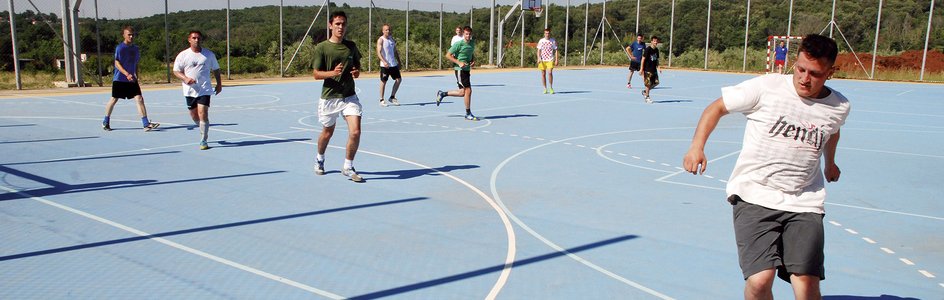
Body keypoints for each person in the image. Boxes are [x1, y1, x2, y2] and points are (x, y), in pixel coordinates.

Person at [681, 34, 850, 300]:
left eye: (814, 74)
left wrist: (830, 162)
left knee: (807, 285)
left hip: (804, 201)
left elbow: (833, 132)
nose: (804, 78)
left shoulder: (839, 106)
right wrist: (696, 147)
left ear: (830, 72)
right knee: (760, 281)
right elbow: (717, 107)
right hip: (755, 195)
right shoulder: (767, 87)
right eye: (800, 69)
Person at [312, 11, 364, 182]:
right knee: (327, 132)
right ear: (330, 25)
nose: (341, 27)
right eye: (337, 24)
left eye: (343, 24)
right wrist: (332, 73)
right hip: (329, 98)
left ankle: (348, 167)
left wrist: (357, 71)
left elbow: (357, 66)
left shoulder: (351, 46)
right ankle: (320, 158)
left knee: (355, 132)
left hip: (349, 96)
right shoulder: (322, 48)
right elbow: (316, 74)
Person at [102, 26, 159, 132]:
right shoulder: (120, 48)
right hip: (120, 79)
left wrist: (135, 75)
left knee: (139, 99)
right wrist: (126, 74)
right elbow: (117, 63)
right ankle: (106, 121)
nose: (131, 36)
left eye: (133, 35)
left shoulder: (136, 49)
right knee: (114, 99)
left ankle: (146, 124)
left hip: (132, 80)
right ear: (124, 35)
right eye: (129, 34)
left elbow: (135, 63)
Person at [173, 30, 222, 150]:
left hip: (204, 89)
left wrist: (219, 84)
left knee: (203, 113)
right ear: (189, 40)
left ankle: (203, 139)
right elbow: (176, 71)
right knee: (194, 115)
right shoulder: (183, 55)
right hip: (189, 90)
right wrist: (185, 78)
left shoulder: (209, 55)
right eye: (194, 38)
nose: (196, 40)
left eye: (198, 38)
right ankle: (202, 127)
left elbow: (216, 69)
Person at [435, 26, 478, 121]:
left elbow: (471, 53)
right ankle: (468, 113)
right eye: (466, 34)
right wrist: (459, 62)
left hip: (467, 70)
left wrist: (472, 61)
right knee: (468, 91)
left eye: (469, 34)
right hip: (460, 70)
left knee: (463, 92)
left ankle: (443, 94)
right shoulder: (459, 44)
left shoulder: (472, 43)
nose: (468, 36)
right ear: (463, 34)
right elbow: (447, 55)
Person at [376, 24, 402, 107]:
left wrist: (399, 62)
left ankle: (392, 97)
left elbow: (395, 52)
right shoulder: (381, 40)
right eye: (386, 30)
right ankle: (381, 99)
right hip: (385, 65)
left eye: (389, 30)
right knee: (384, 81)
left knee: (398, 80)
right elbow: (378, 53)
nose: (388, 31)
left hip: (393, 64)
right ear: (383, 31)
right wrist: (384, 62)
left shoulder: (392, 39)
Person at [638, 35, 661, 104]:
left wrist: (659, 67)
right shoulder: (648, 49)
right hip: (647, 69)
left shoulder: (656, 50)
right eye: (654, 41)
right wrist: (641, 69)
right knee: (648, 84)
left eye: (656, 41)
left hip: (654, 69)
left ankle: (645, 91)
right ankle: (647, 97)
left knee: (656, 83)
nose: (655, 42)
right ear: (651, 42)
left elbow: (656, 59)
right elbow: (643, 59)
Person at [536, 28, 558, 94]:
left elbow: (556, 50)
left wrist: (556, 59)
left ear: (550, 33)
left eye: (548, 33)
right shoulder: (541, 41)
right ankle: (545, 88)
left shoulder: (553, 41)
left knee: (550, 72)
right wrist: (538, 58)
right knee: (543, 74)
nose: (547, 34)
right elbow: (538, 50)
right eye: (546, 33)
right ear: (544, 33)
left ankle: (551, 87)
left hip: (550, 59)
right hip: (542, 60)